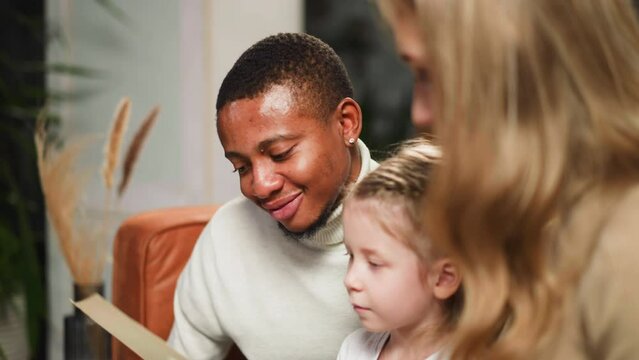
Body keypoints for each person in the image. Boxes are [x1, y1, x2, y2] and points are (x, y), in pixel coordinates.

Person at [378, 0, 639, 359]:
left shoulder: (624, 248)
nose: (419, 113)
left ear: (517, 74)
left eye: (428, 76)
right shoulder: (535, 229)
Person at [168, 33, 379, 359]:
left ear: (346, 123)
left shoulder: (423, 224)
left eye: (280, 153)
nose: (260, 186)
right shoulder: (227, 239)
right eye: (241, 168)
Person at [337, 140, 462, 360]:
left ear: (443, 278)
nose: (350, 280)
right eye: (351, 256)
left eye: (374, 264)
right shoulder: (354, 350)